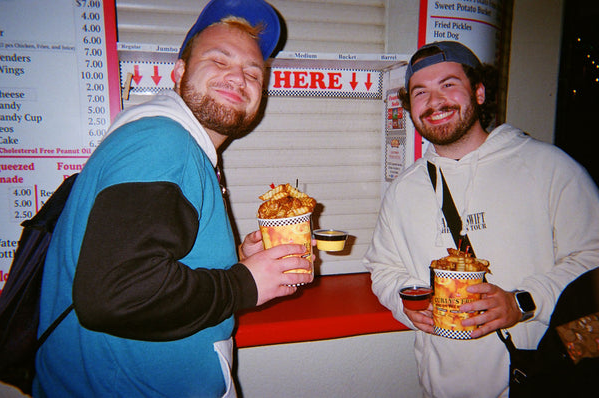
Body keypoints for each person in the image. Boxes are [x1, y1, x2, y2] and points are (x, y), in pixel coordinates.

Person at [33, 0, 313, 397]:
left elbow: (150, 259)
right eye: (219, 61)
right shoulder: (163, 141)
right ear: (179, 72)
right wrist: (245, 283)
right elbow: (115, 294)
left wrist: (234, 257)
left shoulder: (176, 145)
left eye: (253, 72)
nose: (238, 77)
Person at [363, 40, 599, 398]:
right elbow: (383, 267)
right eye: (420, 92)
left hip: (537, 375)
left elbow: (593, 256)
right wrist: (406, 303)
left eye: (448, 84)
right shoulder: (403, 190)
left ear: (479, 91)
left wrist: (522, 302)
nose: (434, 101)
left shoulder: (550, 167)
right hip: (440, 386)